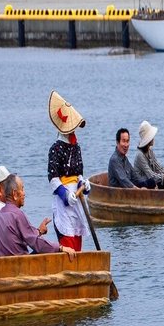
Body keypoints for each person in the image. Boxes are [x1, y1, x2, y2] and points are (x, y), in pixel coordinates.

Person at [47, 90, 90, 252]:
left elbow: (78, 172)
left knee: (77, 242)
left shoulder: (76, 147)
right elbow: (52, 178)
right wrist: (65, 195)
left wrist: (83, 184)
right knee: (68, 244)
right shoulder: (55, 149)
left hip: (77, 201)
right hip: (64, 203)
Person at [0, 173, 76, 258]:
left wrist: (39, 232)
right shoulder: (17, 214)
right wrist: (60, 247)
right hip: (20, 266)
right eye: (22, 189)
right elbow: (36, 243)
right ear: (15, 194)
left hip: (4, 265)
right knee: (52, 250)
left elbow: (26, 237)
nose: (24, 193)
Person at [133, 121, 164, 189]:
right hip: (143, 184)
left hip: (151, 181)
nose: (153, 138)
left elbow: (158, 167)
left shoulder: (150, 151)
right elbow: (151, 175)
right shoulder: (140, 155)